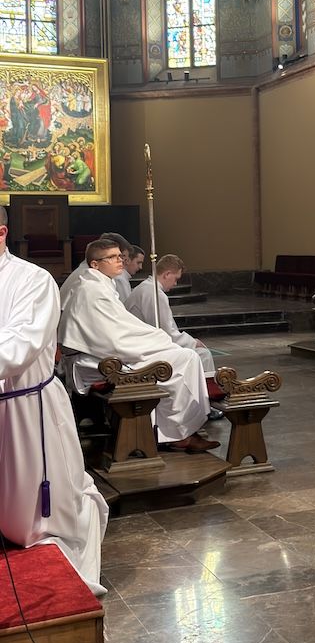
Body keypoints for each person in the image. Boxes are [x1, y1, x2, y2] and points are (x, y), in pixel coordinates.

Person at [0, 206, 108, 596]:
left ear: (1, 232)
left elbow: (18, 346)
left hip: (23, 409)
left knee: (34, 518)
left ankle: (61, 562)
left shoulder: (32, 280)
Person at [59, 239, 219, 453]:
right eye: (112, 257)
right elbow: (113, 339)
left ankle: (174, 429)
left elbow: (119, 327)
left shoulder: (98, 285)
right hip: (95, 362)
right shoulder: (92, 291)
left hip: (100, 355)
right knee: (185, 358)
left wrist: (155, 338)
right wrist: (157, 339)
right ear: (95, 264)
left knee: (179, 355)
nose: (120, 260)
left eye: (120, 256)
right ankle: (179, 433)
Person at [126, 253, 227, 415]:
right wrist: (192, 342)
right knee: (202, 354)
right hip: (146, 350)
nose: (175, 283)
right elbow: (166, 333)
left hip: (142, 343)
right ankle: (205, 405)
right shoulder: (154, 294)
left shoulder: (145, 288)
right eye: (176, 278)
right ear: (167, 274)